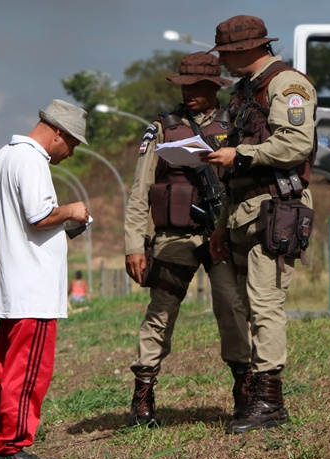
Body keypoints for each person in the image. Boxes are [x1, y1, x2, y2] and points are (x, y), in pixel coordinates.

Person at [124, 52, 252, 428]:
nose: (191, 93)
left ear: (215, 88)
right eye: (185, 87)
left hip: (222, 234)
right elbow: (140, 189)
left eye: (199, 87)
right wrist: (135, 243)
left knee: (232, 307)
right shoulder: (163, 127)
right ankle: (142, 397)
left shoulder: (235, 123)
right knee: (161, 312)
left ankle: (243, 389)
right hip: (173, 238)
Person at [202, 15, 316, 434]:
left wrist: (241, 156)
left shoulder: (288, 85)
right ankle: (255, 395)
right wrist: (220, 224)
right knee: (248, 306)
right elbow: (236, 164)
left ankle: (270, 402)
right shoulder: (242, 93)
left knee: (266, 303)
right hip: (241, 211)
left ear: (252, 48)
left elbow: (296, 143)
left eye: (229, 53)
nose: (225, 62)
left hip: (276, 208)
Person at [0, 99, 91, 459]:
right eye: (73, 143)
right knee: (27, 373)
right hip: (33, 289)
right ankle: (13, 449)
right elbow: (40, 215)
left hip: (13, 284)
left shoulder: (4, 157)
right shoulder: (32, 160)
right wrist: (73, 211)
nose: (72, 152)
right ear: (58, 132)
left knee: (5, 370)